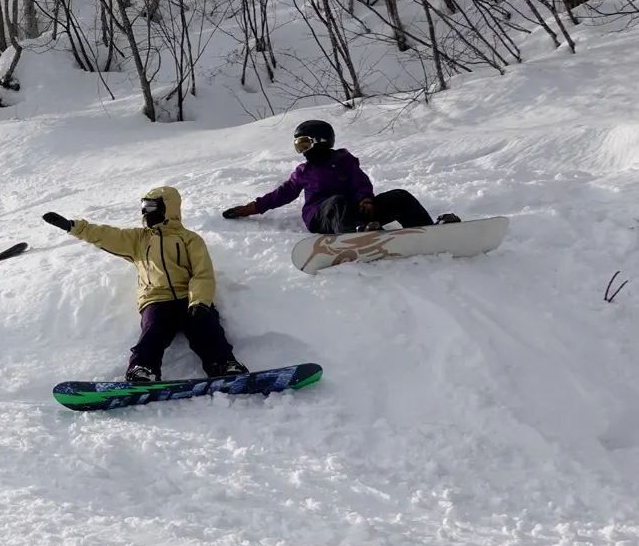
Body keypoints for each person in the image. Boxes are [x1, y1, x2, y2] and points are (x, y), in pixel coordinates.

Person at [43, 186, 248, 383]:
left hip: (188, 297)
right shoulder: (138, 239)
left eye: (151, 206)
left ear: (167, 207)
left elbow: (202, 273)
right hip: (156, 298)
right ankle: (143, 369)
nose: (145, 211)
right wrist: (73, 227)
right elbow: (106, 235)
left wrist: (200, 302)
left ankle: (223, 364)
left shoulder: (189, 239)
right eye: (144, 206)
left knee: (206, 327)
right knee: (153, 330)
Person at [221, 119, 460, 234]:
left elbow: (360, 182)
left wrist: (366, 200)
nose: (301, 150)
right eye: (298, 145)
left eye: (304, 143)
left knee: (399, 196)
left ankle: (430, 231)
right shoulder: (303, 172)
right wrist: (249, 209)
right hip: (321, 218)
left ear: (320, 141)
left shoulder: (344, 161)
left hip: (356, 213)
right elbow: (280, 195)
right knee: (337, 201)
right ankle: (356, 234)